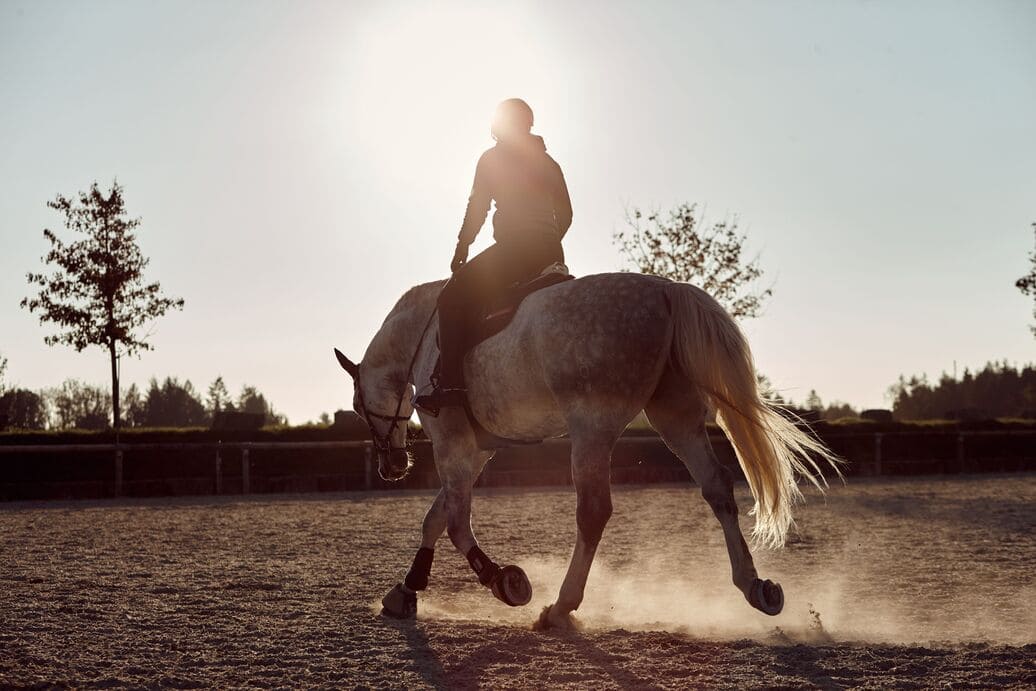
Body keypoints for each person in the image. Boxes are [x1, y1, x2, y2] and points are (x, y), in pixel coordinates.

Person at [415, 98, 573, 411]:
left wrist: (462, 245)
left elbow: (478, 207)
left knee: (450, 298)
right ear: (528, 124)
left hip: (514, 252)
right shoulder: (549, 162)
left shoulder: (492, 159)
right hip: (550, 253)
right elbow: (566, 213)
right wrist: (550, 244)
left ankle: (452, 384)